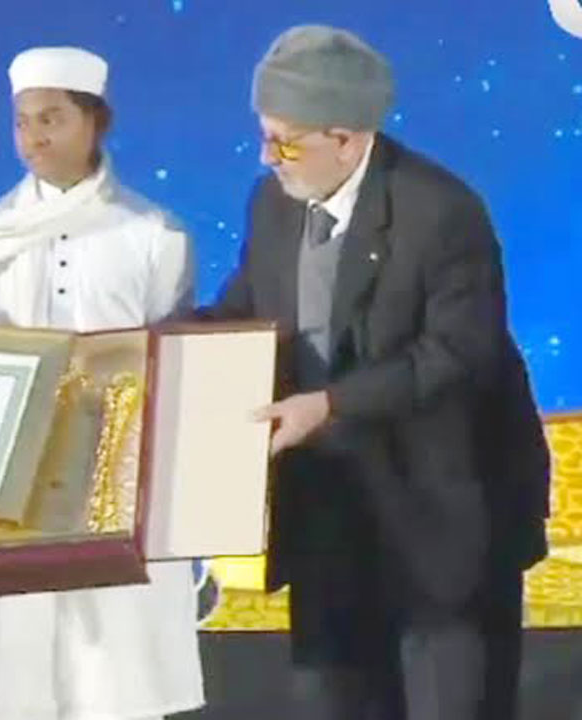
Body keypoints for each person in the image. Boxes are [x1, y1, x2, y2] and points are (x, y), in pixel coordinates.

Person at [206, 25, 552, 720]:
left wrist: (329, 405)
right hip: (330, 514)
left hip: (444, 520)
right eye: (264, 136)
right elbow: (245, 310)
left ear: (346, 138)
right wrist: (149, 354)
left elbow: (457, 354)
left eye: (284, 141)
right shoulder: (271, 204)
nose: (267, 157)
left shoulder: (443, 213)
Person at [0, 46, 205, 720]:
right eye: (22, 121)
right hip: (12, 490)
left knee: (114, 671)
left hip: (116, 480)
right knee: (13, 671)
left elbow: (169, 365)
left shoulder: (154, 234)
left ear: (95, 122)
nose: (34, 137)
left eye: (51, 119)